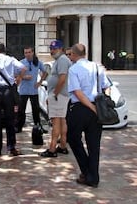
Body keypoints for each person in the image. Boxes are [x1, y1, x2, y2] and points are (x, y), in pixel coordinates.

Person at [67, 43, 111, 188]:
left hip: (81, 108)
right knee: (94, 145)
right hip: (96, 109)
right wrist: (101, 104)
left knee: (73, 139)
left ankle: (87, 171)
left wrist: (91, 106)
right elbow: (107, 87)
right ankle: (93, 176)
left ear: (73, 55)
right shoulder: (97, 67)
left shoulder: (73, 69)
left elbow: (77, 92)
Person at [0, 42, 26, 156]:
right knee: (10, 119)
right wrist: (19, 79)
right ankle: (11, 147)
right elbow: (23, 68)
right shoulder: (11, 59)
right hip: (8, 90)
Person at [40, 40, 71, 157]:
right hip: (60, 96)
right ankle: (62, 146)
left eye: (55, 49)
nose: (52, 51)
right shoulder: (60, 61)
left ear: (61, 49)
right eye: (51, 49)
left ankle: (52, 149)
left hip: (59, 96)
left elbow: (62, 79)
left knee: (56, 122)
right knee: (62, 121)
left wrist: (54, 94)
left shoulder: (62, 60)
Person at [17, 46, 48, 133]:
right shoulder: (21, 63)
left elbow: (45, 72)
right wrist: (24, 77)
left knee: (36, 110)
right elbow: (16, 75)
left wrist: (40, 82)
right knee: (21, 110)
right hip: (23, 91)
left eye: (29, 52)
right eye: (25, 52)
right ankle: (19, 127)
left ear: (32, 52)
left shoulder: (37, 62)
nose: (27, 54)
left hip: (33, 91)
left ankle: (38, 126)